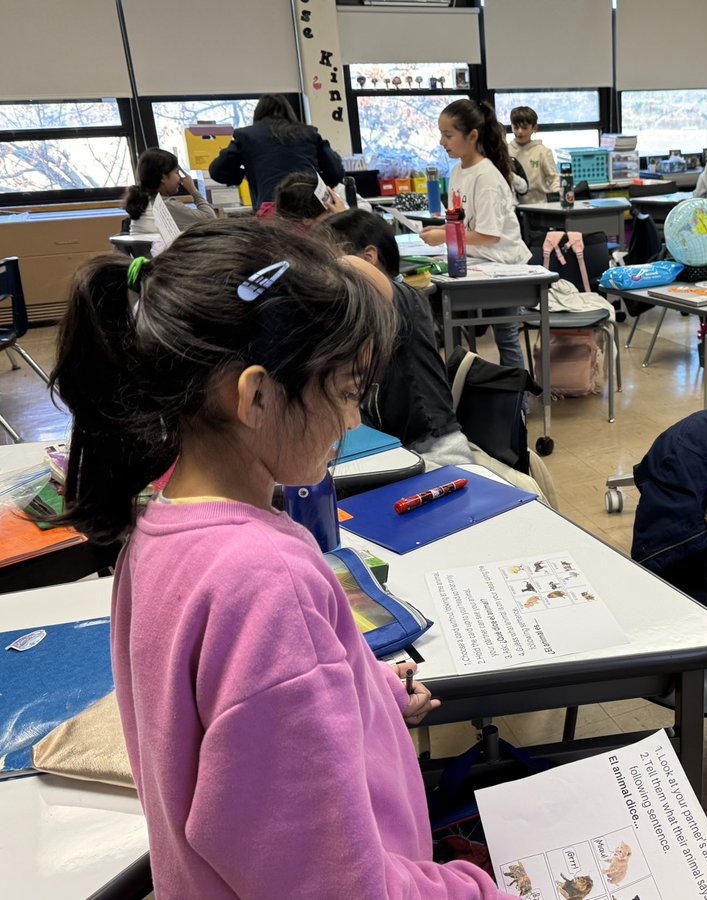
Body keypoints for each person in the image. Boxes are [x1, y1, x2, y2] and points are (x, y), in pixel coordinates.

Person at [49, 219, 518, 899]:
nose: (354, 421)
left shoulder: (160, 522)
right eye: (348, 390)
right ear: (257, 396)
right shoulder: (266, 582)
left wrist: (371, 693)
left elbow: (246, 728)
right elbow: (334, 885)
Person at [314, 209, 473, 466]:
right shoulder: (358, 313)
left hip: (436, 454)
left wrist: (309, 262)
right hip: (391, 445)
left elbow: (351, 271)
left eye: (328, 259)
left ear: (369, 258)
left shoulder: (400, 299)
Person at [421, 99, 529, 371]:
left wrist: (444, 235)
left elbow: (489, 235)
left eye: (448, 135)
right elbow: (457, 219)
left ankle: (518, 406)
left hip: (502, 268)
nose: (442, 142)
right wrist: (444, 233)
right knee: (452, 329)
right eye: (441, 135)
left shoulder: (487, 177)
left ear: (472, 136)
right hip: (474, 263)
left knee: (506, 337)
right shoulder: (458, 170)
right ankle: (461, 388)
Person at [209, 93, 344, 211]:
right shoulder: (309, 133)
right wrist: (316, 184)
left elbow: (218, 171)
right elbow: (336, 172)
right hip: (311, 206)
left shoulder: (246, 136)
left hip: (272, 209)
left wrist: (243, 175)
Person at [124, 148, 216, 236]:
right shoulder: (165, 205)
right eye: (176, 173)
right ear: (163, 178)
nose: (180, 178)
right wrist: (194, 190)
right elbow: (210, 219)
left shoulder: (143, 201)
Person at [262, 170, 347, 231]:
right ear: (307, 221)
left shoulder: (277, 210)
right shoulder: (303, 243)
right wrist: (345, 219)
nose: (333, 211)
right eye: (329, 211)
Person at [508, 106, 560, 204]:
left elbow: (554, 179)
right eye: (516, 127)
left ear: (535, 128)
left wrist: (558, 199)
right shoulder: (506, 151)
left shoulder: (542, 152)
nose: (519, 131)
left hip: (540, 206)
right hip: (514, 208)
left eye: (524, 128)